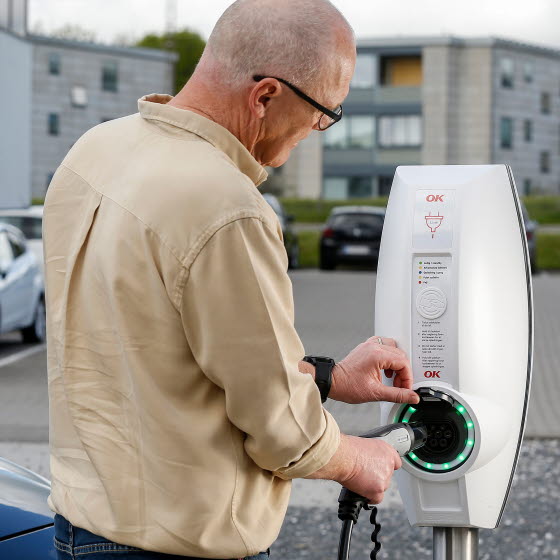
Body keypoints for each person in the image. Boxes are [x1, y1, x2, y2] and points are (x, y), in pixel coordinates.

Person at [43, 0, 419, 559]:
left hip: (79, 531)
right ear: (265, 95)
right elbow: (279, 428)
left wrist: (327, 377)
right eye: (324, 113)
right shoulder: (226, 206)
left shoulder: (96, 150)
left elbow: (160, 350)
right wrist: (353, 458)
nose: (318, 130)